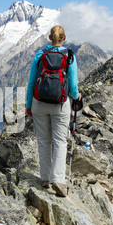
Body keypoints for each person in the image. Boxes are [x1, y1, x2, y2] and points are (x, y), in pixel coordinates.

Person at [26, 25, 81, 197]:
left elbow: (31, 82)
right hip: (60, 104)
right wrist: (76, 95)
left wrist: (28, 105)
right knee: (60, 141)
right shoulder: (69, 56)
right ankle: (58, 180)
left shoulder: (40, 55)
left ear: (50, 38)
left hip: (39, 103)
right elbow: (72, 86)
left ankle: (45, 179)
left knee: (43, 141)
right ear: (64, 38)